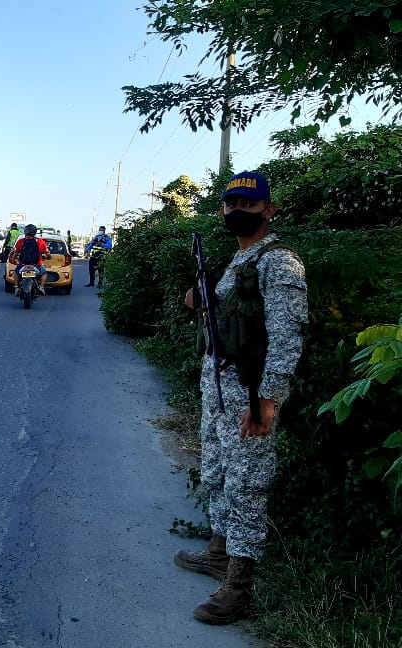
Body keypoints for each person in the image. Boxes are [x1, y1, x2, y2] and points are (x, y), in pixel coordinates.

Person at [176, 171, 308, 624]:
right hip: (217, 390)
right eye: (231, 204)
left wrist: (267, 401)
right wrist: (199, 298)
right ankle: (219, 550)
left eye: (248, 205)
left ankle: (239, 586)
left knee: (247, 485)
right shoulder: (237, 261)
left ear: (268, 210)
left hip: (250, 395)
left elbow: (287, 338)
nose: (238, 211)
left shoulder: (280, 262)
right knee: (215, 472)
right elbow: (227, 313)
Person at [14, 224, 50, 294]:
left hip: (23, 264)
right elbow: (47, 252)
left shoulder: (21, 241)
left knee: (16, 272)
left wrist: (14, 257)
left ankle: (16, 288)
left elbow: (16, 252)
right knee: (44, 273)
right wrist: (48, 257)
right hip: (36, 264)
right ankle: (41, 287)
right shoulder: (40, 241)